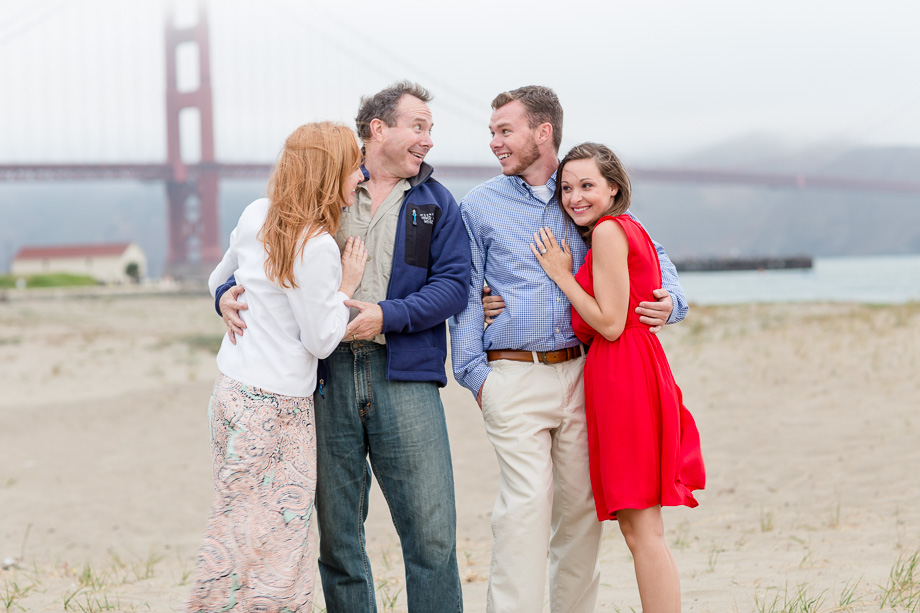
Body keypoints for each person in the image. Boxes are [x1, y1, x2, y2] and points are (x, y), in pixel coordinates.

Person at [216, 82, 470, 613]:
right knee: (338, 541)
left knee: (432, 535)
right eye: (418, 126)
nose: (428, 139)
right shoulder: (328, 186)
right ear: (378, 129)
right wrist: (224, 294)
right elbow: (265, 251)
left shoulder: (436, 202)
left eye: (430, 129)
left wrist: (387, 315)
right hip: (323, 376)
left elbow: (452, 286)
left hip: (404, 374)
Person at [449, 85, 689, 613]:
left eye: (504, 130)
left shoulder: (582, 191)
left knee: (581, 514)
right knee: (524, 510)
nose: (494, 142)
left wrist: (672, 301)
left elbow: (650, 250)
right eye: (492, 132)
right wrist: (474, 375)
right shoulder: (480, 205)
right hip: (513, 374)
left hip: (586, 375)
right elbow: (466, 290)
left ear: (543, 132)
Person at [185, 122, 368, 613]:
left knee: (236, 530)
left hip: (230, 394)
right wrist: (346, 286)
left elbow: (218, 278)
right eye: (354, 167)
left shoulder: (255, 213)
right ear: (329, 172)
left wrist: (224, 300)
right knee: (279, 544)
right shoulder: (318, 246)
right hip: (279, 410)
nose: (361, 176)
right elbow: (322, 341)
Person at [532, 142, 705, 612]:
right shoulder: (627, 228)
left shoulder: (609, 231)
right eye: (567, 188)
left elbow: (609, 323)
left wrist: (562, 276)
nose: (575, 197)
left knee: (642, 528)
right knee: (640, 528)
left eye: (587, 185)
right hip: (632, 367)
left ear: (613, 188)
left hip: (624, 372)